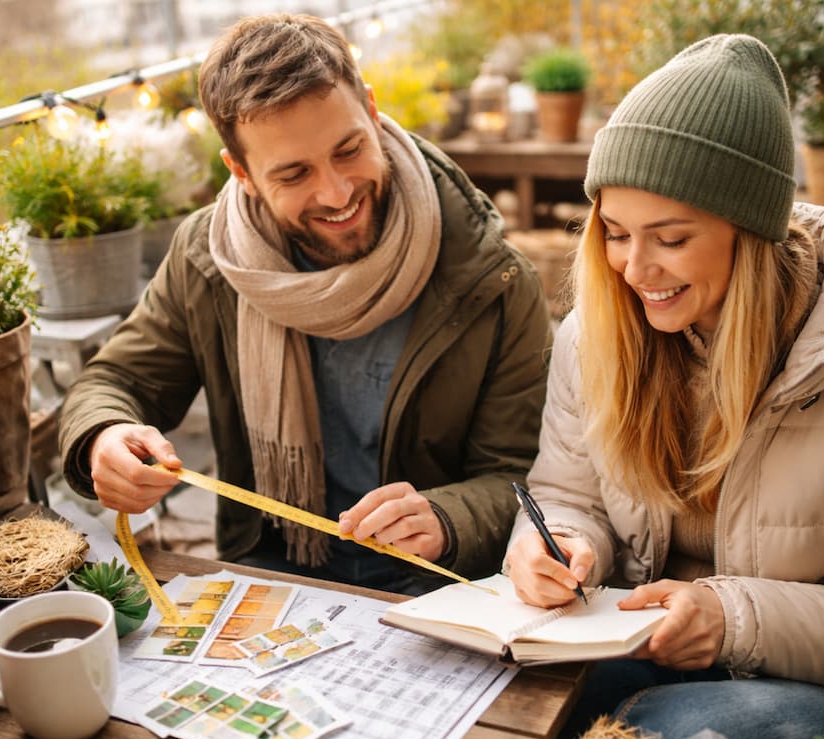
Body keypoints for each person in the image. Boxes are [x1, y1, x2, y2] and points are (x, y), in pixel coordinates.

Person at [504, 33, 824, 739]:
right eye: (616, 234)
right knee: (497, 706)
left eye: (672, 238)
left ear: (748, 233)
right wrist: (557, 544)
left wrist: (730, 619)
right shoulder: (595, 338)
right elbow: (565, 494)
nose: (633, 269)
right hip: (637, 655)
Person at [58, 13, 551, 596]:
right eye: (294, 173)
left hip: (440, 591)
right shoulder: (204, 257)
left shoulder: (491, 276)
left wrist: (448, 519)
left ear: (370, 109)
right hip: (273, 573)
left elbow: (522, 477)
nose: (337, 193)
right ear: (240, 172)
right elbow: (115, 380)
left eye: (349, 150)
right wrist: (103, 437)